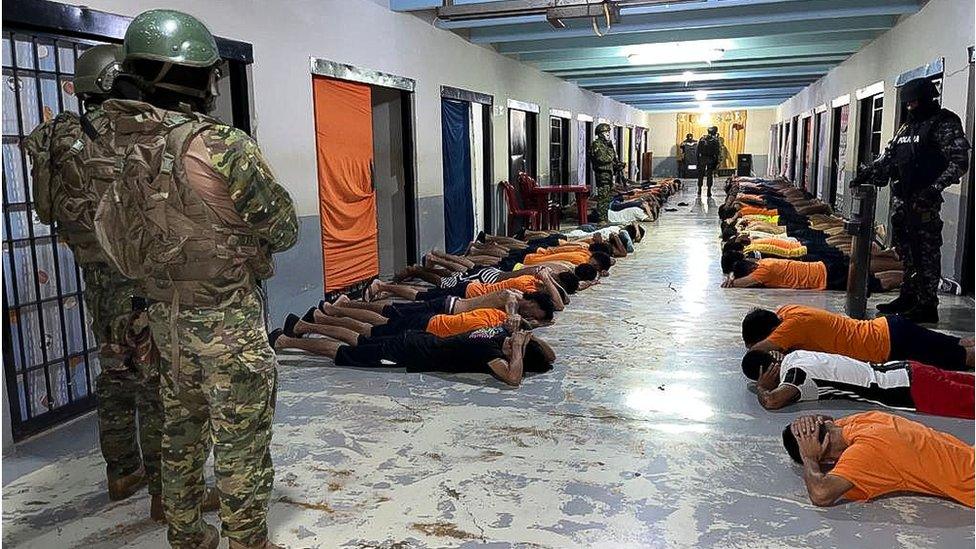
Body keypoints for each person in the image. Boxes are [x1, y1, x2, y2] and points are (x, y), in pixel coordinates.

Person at [94, 10, 297, 549]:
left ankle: (185, 534)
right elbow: (282, 228)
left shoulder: (126, 147)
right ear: (186, 76)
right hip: (226, 317)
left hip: (165, 316)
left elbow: (117, 240)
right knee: (241, 438)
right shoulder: (221, 145)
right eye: (209, 72)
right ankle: (247, 539)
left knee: (179, 428)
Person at [23, 45, 167, 516]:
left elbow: (50, 210)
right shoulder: (127, 130)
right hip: (136, 276)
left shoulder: (60, 135)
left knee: (115, 374)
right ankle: (168, 494)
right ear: (112, 79)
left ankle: (122, 471)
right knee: (153, 380)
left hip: (95, 275)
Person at [851, 78, 971, 323]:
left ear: (928, 98)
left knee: (925, 253)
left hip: (923, 201)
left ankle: (927, 304)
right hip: (902, 199)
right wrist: (868, 173)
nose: (911, 106)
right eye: (908, 102)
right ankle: (908, 295)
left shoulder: (944, 123)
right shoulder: (907, 127)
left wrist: (933, 189)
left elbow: (959, 163)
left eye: (915, 101)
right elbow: (889, 158)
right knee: (906, 251)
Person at [782, 413, 974, 507]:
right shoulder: (865, 420)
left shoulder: (865, 453)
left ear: (823, 456)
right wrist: (812, 423)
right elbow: (830, 421)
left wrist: (809, 458)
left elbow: (821, 494)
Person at [270, 324, 555, 387]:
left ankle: (301, 329)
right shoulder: (494, 346)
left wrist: (521, 341)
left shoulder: (494, 342)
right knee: (346, 352)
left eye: (514, 346)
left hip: (415, 342)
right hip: (411, 349)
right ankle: (286, 340)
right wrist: (522, 341)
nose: (510, 342)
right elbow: (517, 376)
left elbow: (518, 374)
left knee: (358, 341)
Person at [742, 349, 974, 418]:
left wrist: (763, 387)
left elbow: (773, 402)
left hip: (908, 390)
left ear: (766, 371)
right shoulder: (798, 354)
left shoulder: (796, 373)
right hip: (907, 368)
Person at [741, 305, 974, 371]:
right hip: (889, 328)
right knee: (956, 344)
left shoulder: (790, 328)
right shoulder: (787, 311)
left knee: (963, 358)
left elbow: (754, 354)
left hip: (888, 345)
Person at [722, 257, 902, 292]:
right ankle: (906, 273)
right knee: (870, 275)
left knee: (877, 283)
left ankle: (909, 277)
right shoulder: (764, 262)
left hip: (824, 277)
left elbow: (740, 284)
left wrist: (731, 279)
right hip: (823, 267)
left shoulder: (762, 272)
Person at [589, 123, 624, 220]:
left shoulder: (606, 145)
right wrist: (611, 154)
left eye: (608, 132)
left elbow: (611, 160)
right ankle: (602, 219)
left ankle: (605, 216)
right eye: (605, 132)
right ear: (600, 133)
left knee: (607, 197)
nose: (608, 134)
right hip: (602, 174)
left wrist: (617, 165)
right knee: (603, 198)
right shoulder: (597, 144)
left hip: (609, 174)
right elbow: (603, 159)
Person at [697, 126, 721, 196]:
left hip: (702, 159)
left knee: (700, 175)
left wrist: (698, 160)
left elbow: (698, 151)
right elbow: (717, 152)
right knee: (710, 175)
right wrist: (716, 162)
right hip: (711, 159)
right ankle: (709, 191)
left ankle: (699, 190)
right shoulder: (715, 140)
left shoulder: (702, 139)